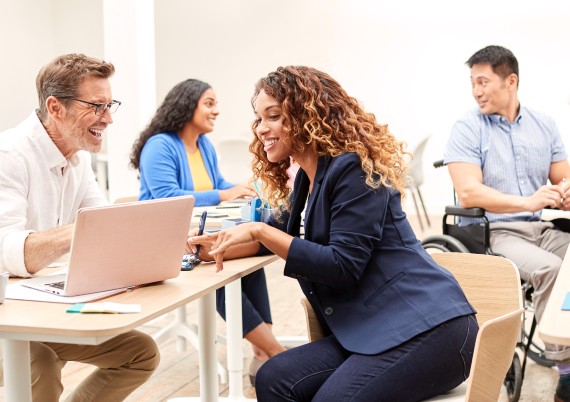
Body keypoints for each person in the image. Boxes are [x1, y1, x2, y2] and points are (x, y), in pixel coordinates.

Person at [187, 66, 478, 401]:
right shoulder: (306, 181)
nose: (261, 129)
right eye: (258, 118)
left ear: (307, 116)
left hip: (430, 330)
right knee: (273, 377)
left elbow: (342, 264)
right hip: (372, 330)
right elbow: (268, 240)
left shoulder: (353, 169)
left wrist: (259, 229)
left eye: (273, 116)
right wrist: (211, 248)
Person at [0, 53, 159, 401]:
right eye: (97, 106)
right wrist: (83, 231)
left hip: (38, 309)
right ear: (55, 108)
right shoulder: (9, 155)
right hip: (6, 318)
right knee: (38, 362)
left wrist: (156, 240)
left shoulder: (78, 158)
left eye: (110, 105)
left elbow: (102, 225)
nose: (108, 119)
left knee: (140, 353)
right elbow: (6, 250)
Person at [129, 79, 285, 385]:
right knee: (221, 267)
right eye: (209, 103)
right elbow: (165, 196)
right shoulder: (159, 145)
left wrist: (242, 189)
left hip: (197, 232)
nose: (216, 110)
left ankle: (261, 353)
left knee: (246, 253)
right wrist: (222, 195)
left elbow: (218, 184)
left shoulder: (204, 146)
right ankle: (274, 352)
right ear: (187, 105)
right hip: (164, 238)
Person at [444, 44, 570, 402]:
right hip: (499, 232)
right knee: (550, 270)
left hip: (545, 227)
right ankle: (567, 373)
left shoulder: (543, 124)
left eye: (483, 81)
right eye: (473, 82)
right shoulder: (468, 128)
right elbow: (468, 193)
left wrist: (565, 191)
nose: (476, 90)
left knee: (568, 266)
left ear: (510, 81)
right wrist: (527, 201)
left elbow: (562, 176)